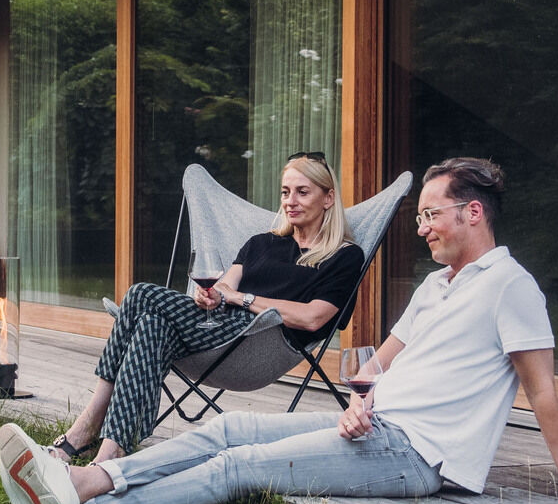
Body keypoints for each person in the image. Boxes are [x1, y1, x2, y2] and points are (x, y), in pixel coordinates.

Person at [0, 157, 558, 504]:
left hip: (419, 455)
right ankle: (85, 477)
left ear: (471, 212)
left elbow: (543, 395)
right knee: (223, 435)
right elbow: (374, 365)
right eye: (419, 214)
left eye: (430, 214)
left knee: (236, 467)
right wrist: (357, 400)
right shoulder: (435, 288)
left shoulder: (511, 286)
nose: (422, 227)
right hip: (375, 428)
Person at [48, 153, 363, 465]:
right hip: (214, 330)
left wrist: (243, 299)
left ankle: (87, 427)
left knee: (141, 295)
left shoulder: (344, 256)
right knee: (150, 324)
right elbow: (223, 289)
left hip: (260, 343)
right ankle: (111, 452)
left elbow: (313, 318)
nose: (290, 201)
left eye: (302, 192)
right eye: (285, 192)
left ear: (328, 198)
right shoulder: (262, 243)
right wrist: (209, 297)